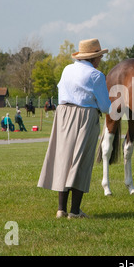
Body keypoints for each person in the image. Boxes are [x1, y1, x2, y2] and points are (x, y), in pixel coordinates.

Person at [38, 38, 111, 219]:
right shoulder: (96, 75)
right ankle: (75, 211)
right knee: (81, 161)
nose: (100, 59)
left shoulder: (67, 69)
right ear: (94, 58)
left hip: (62, 115)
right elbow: (105, 107)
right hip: (85, 116)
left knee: (63, 159)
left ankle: (61, 209)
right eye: (99, 56)